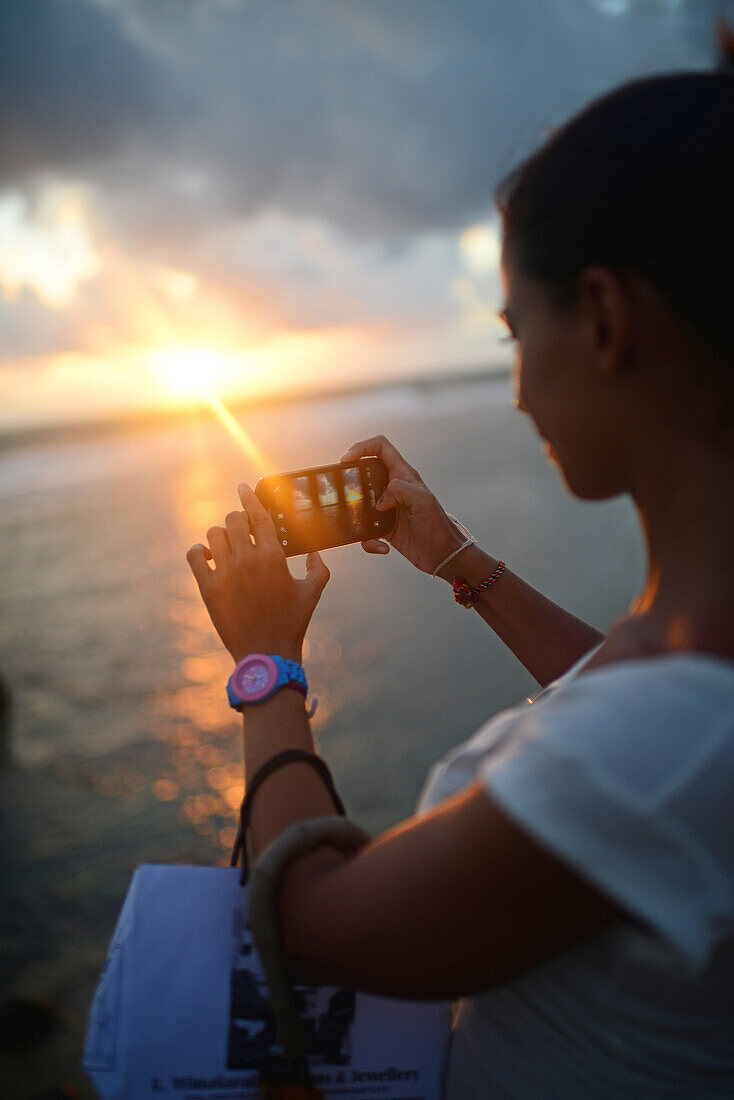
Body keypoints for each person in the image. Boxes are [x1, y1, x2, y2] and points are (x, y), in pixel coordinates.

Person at [186, 36, 734, 1097]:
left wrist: (266, 664)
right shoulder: (690, 681)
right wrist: (453, 557)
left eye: (512, 331)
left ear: (606, 318)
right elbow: (623, 693)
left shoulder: (667, 743)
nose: (520, 391)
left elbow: (313, 923)